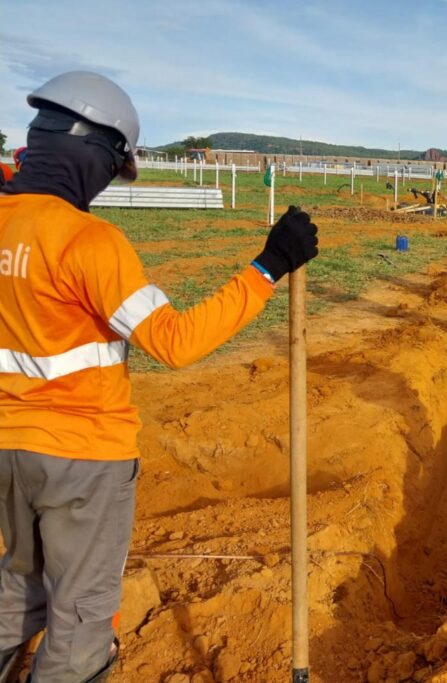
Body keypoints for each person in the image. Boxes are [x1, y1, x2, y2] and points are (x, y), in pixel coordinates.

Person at [0, 71, 318, 682]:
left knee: (17, 588)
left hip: (9, 452)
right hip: (83, 460)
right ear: (94, 154)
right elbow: (175, 341)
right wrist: (268, 266)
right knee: (81, 621)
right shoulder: (88, 242)